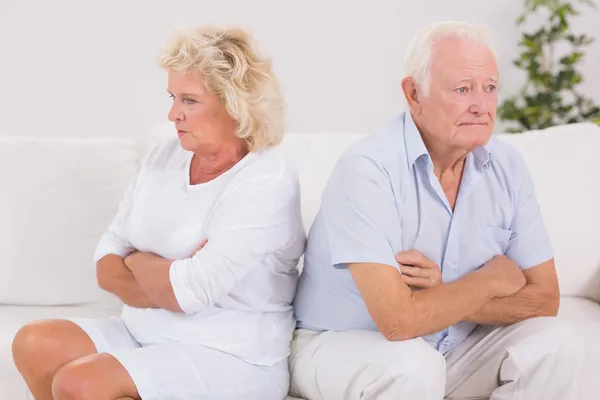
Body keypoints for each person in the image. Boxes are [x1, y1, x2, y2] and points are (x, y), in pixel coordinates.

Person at [290, 21, 583, 400]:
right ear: (414, 94)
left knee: (557, 342)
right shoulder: (367, 169)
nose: (481, 106)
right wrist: (488, 280)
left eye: (489, 88)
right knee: (413, 367)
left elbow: (544, 299)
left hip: (449, 349)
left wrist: (445, 291)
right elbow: (398, 321)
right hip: (343, 345)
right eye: (462, 89)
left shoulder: (507, 167)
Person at [12, 26, 305, 400]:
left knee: (81, 382)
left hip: (231, 354)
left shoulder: (267, 179)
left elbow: (188, 293)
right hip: (143, 332)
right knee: (35, 342)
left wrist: (138, 262)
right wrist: (165, 276)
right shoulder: (163, 157)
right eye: (172, 97)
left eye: (189, 100)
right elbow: (106, 260)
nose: (172, 114)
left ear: (234, 103)